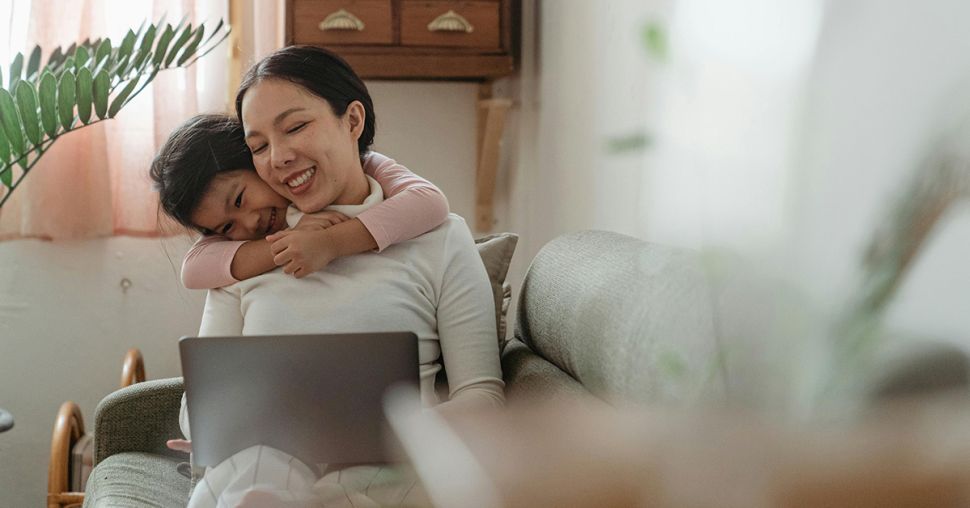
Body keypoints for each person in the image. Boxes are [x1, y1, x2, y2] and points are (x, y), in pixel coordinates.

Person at [161, 46, 504, 507]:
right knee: (258, 474)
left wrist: (401, 432)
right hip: (265, 469)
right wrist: (223, 427)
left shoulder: (439, 238)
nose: (278, 157)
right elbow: (200, 405)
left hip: (393, 469)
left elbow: (482, 397)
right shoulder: (239, 258)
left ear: (353, 121)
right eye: (259, 146)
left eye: (296, 126)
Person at [151, 115, 451, 288]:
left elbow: (429, 202)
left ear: (256, 157)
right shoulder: (249, 241)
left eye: (240, 200)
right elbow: (193, 270)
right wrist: (290, 241)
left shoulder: (360, 164)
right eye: (227, 226)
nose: (250, 222)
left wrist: (329, 243)